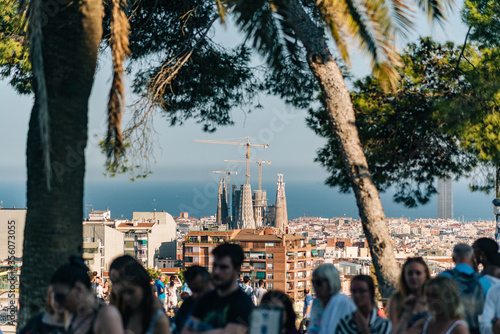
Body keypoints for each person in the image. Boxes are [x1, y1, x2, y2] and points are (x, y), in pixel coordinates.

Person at [182, 243, 254, 334]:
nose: (216, 272)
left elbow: (231, 332)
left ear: (237, 269)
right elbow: (186, 330)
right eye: (215, 266)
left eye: (223, 267)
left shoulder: (244, 303)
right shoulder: (206, 299)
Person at [50, 256, 123, 334]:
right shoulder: (73, 316)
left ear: (79, 289)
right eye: (55, 297)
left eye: (60, 297)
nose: (58, 304)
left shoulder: (107, 315)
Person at [440, 243, 488, 334]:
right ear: (473, 257)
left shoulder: (443, 278)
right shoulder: (484, 281)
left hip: (451, 329)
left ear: (453, 258)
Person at [113, 259, 170, 334]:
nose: (126, 297)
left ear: (144, 289)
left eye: (131, 291)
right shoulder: (120, 315)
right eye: (123, 292)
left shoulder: (159, 320)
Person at [306, 264, 356, 334]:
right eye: (313, 282)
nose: (315, 286)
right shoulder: (317, 303)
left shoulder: (344, 303)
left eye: (318, 282)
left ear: (331, 282)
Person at [387, 257, 430, 332]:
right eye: (410, 273)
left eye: (418, 273)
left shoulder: (434, 298)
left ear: (425, 276)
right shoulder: (396, 300)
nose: (414, 277)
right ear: (404, 276)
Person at [173, 266, 213, 334]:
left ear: (210, 282)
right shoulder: (189, 302)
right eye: (192, 290)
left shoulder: (221, 304)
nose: (194, 295)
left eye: (198, 290)